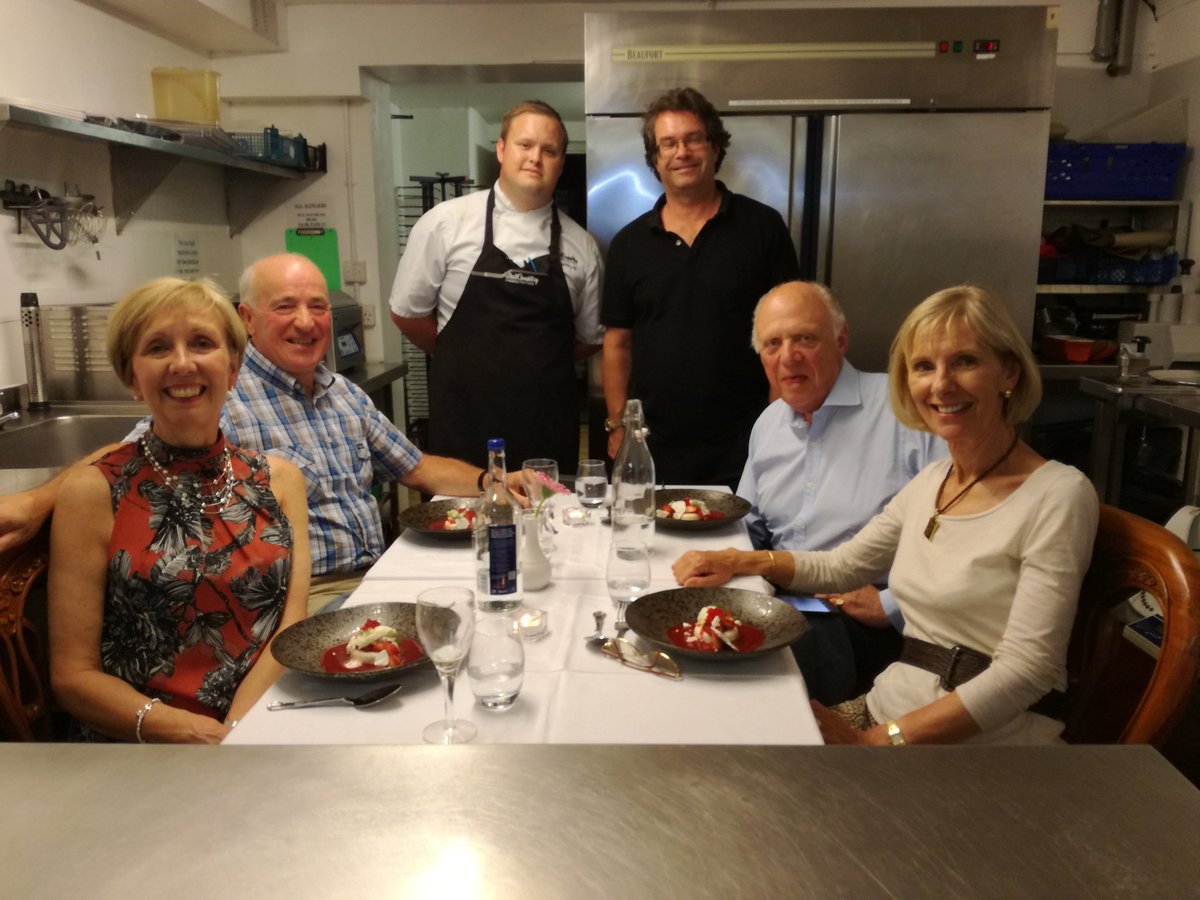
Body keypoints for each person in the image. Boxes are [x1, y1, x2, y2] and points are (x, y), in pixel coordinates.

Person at [676, 285, 1099, 744]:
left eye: (965, 361)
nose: (940, 385)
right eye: (923, 366)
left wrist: (877, 741)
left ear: (1009, 373)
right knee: (728, 726)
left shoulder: (1059, 494)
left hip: (975, 744)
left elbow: (1029, 670)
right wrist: (740, 561)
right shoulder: (936, 480)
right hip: (890, 705)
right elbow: (841, 565)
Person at [2, 253, 525, 614]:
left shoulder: (341, 392)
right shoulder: (224, 393)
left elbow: (420, 467)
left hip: (379, 576)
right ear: (246, 319)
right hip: (307, 599)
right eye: (285, 307)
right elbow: (131, 453)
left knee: (499, 598)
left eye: (317, 306)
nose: (306, 321)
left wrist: (496, 482)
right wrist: (35, 502)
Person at [47, 277, 310, 743]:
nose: (182, 363)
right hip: (141, 747)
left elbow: (290, 631)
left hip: (263, 726)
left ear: (232, 369)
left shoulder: (281, 481)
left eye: (202, 343)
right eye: (157, 348)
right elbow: (73, 677)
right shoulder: (92, 491)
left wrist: (233, 733)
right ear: (132, 376)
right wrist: (189, 733)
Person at [672, 281, 947, 704]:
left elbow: (955, 541)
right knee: (679, 636)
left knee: (736, 685)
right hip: (775, 602)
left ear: (841, 340)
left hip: (857, 624)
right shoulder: (769, 423)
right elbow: (751, 529)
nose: (788, 357)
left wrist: (892, 605)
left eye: (805, 338)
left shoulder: (905, 411)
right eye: (772, 343)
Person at [601, 87, 800, 489]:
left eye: (693, 139)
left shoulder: (763, 228)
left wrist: (779, 417)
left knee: (742, 549)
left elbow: (789, 334)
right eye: (669, 144)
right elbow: (618, 343)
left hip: (747, 438)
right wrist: (617, 424)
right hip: (652, 443)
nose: (682, 152)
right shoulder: (628, 244)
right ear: (655, 160)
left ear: (714, 147)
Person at [389, 99, 603, 472]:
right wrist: (464, 355)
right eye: (525, 145)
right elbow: (406, 314)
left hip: (546, 431)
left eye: (549, 150)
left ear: (561, 163)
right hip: (463, 427)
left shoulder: (581, 246)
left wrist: (533, 362)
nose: (535, 157)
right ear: (502, 149)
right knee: (460, 527)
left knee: (547, 526)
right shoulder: (446, 223)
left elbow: (588, 339)